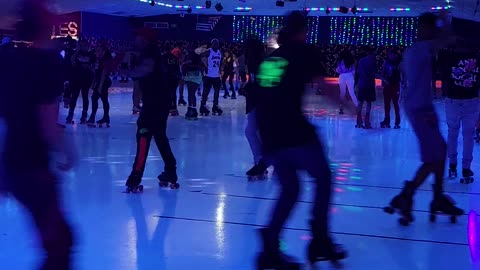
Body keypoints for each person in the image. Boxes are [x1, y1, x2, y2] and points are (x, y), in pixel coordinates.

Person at [254, 11, 348, 269]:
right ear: (304, 29)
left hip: (270, 133)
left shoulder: (271, 58)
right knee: (323, 177)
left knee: (291, 188)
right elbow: (324, 86)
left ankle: (270, 242)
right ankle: (319, 238)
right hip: (292, 130)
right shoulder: (303, 51)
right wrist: (347, 106)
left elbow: (261, 94)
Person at [0, 0, 76, 268]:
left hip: (12, 160)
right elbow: (47, 122)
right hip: (32, 166)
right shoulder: (46, 63)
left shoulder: (7, 58)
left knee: (57, 239)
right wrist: (66, 150)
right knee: (60, 243)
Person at [384, 11, 464, 226]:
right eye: (430, 28)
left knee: (440, 152)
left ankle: (436, 197)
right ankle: (406, 196)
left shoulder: (415, 49)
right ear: (424, 29)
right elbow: (447, 40)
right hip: (420, 109)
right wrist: (446, 20)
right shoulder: (421, 48)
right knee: (433, 158)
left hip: (421, 107)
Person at [124, 28, 178, 192]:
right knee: (159, 136)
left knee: (143, 134)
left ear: (145, 39)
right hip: (158, 102)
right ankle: (170, 170)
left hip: (155, 103)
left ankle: (136, 176)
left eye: (139, 37)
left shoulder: (150, 53)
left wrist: (125, 70)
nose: (136, 40)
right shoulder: (148, 53)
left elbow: (143, 71)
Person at [443, 40, 480, 184]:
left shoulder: (448, 55)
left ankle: (452, 164)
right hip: (471, 99)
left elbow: (442, 74)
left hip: (453, 100)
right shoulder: (477, 56)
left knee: (453, 132)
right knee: (468, 135)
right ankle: (466, 167)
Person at [244, 37, 268, 179]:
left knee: (252, 131)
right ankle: (261, 162)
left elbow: (264, 85)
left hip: (261, 103)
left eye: (247, 49)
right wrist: (248, 86)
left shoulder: (261, 62)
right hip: (255, 102)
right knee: (252, 131)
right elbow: (253, 81)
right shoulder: (253, 62)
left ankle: (262, 162)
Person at [66, 39, 95, 124]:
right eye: (81, 45)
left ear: (88, 46)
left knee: (85, 96)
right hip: (76, 78)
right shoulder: (76, 54)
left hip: (86, 78)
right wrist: (76, 54)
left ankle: (84, 115)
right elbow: (72, 63)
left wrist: (93, 78)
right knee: (74, 96)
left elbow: (93, 67)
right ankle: (70, 114)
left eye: (85, 45)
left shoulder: (91, 55)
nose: (83, 47)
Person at [199, 39, 223, 116]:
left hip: (216, 76)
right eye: (214, 44)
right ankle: (202, 106)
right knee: (206, 92)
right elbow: (200, 57)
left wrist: (220, 68)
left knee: (217, 92)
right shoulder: (208, 51)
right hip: (208, 76)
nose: (216, 45)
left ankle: (215, 106)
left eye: (217, 44)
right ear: (211, 44)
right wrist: (204, 66)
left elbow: (221, 61)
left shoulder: (219, 52)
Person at [355, 50, 377, 129]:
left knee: (360, 102)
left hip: (361, 84)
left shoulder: (361, 61)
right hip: (369, 85)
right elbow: (374, 73)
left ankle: (358, 122)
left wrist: (356, 83)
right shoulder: (373, 61)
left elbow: (357, 72)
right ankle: (367, 122)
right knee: (368, 102)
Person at [182, 44, 205, 120]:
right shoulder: (196, 57)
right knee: (191, 94)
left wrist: (184, 74)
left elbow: (184, 66)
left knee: (191, 94)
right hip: (194, 76)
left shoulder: (190, 56)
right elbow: (202, 67)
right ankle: (192, 109)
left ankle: (192, 110)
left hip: (192, 75)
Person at [380, 50, 402, 128]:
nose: (390, 55)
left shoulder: (399, 63)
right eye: (389, 54)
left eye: (392, 54)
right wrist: (384, 81)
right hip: (387, 85)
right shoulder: (386, 63)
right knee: (387, 103)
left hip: (395, 85)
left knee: (395, 103)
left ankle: (397, 122)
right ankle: (387, 120)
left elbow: (402, 74)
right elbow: (382, 74)